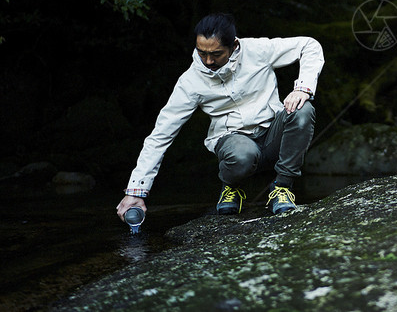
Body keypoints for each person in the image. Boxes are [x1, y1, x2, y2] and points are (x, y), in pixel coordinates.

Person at [116, 13, 324, 219]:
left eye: (216, 54)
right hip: (234, 143)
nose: (208, 61)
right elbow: (161, 135)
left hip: (273, 135)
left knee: (303, 109)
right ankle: (231, 187)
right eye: (201, 53)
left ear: (234, 46)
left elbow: (309, 45)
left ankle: (282, 187)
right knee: (243, 154)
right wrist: (135, 191)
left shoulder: (257, 50)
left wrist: (303, 88)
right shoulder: (190, 82)